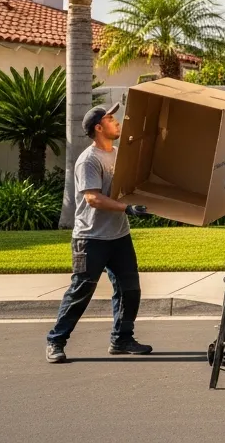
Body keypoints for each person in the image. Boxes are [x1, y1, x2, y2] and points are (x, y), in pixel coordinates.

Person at [45, 103, 153, 363]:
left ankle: (122, 339)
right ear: (98, 127)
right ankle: (55, 341)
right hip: (90, 238)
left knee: (130, 290)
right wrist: (127, 208)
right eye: (111, 119)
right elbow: (93, 198)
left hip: (118, 236)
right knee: (81, 290)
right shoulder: (88, 160)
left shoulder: (117, 154)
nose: (116, 122)